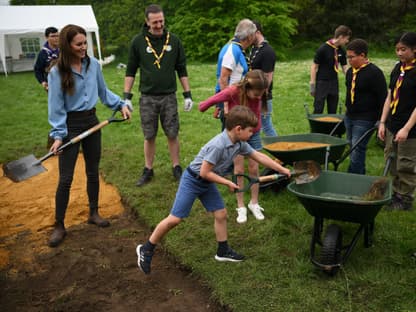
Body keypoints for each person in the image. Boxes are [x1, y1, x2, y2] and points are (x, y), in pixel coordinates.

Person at [136, 105, 291, 274]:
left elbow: (258, 156)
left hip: (207, 182)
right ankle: (146, 248)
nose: (252, 133)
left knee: (221, 214)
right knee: (175, 219)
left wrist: (282, 169)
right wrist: (227, 183)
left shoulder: (239, 143)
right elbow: (204, 172)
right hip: (193, 180)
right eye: (250, 131)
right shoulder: (219, 145)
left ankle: (222, 251)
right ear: (238, 129)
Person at [47, 24, 132, 247]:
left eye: (85, 43)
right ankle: (59, 225)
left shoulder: (93, 65)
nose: (84, 47)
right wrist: (58, 135)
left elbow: (103, 93)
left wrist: (121, 104)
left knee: (93, 171)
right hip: (70, 126)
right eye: (79, 44)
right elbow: (56, 107)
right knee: (66, 178)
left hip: (92, 122)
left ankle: (93, 213)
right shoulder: (57, 72)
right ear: (68, 46)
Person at [123, 4, 193, 186]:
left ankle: (176, 167)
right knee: (149, 135)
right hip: (147, 97)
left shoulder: (174, 41)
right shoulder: (138, 42)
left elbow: (182, 69)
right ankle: (148, 169)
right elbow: (130, 70)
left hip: (169, 96)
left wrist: (187, 94)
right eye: (155, 22)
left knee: (172, 132)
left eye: (161, 21)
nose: (159, 25)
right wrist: (126, 97)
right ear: (147, 22)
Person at [199, 70, 270, 223]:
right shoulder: (233, 91)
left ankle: (254, 203)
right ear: (247, 88)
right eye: (257, 95)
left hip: (254, 133)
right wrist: (204, 106)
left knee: (254, 168)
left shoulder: (259, 92)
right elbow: (214, 99)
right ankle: (241, 206)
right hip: (237, 136)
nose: (259, 98)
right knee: (238, 170)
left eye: (261, 94)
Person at [378, 32, 416, 211]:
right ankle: (395, 193)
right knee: (391, 160)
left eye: (404, 49)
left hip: (410, 129)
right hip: (392, 124)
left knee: (405, 164)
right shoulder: (397, 68)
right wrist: (383, 122)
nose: (399, 53)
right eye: (397, 49)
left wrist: (406, 128)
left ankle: (405, 199)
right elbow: (390, 96)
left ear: (414, 49)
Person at [344, 39, 387, 174]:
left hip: (366, 117)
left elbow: (383, 97)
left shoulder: (374, 73)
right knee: (351, 145)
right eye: (348, 57)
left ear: (362, 55)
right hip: (350, 116)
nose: (349, 60)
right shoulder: (351, 72)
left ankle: (354, 175)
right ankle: (358, 172)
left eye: (352, 57)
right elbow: (349, 91)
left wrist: (381, 120)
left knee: (358, 147)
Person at [214, 19, 257, 130]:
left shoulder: (237, 48)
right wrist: (226, 105)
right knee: (231, 136)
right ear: (249, 36)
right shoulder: (232, 50)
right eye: (254, 34)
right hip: (231, 99)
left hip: (235, 98)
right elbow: (223, 78)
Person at [310, 25, 352, 114]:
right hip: (322, 82)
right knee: (318, 107)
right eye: (346, 39)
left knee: (333, 108)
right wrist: (312, 85)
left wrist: (351, 78)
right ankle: (317, 127)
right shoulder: (323, 49)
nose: (347, 41)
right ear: (341, 37)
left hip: (334, 82)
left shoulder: (341, 51)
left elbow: (344, 67)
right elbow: (314, 66)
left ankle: (330, 127)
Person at [250, 20, 278, 137]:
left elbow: (268, 77)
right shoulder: (255, 48)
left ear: (257, 32)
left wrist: (261, 96)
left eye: (250, 33)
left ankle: (279, 148)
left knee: (266, 125)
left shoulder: (267, 51)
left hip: (262, 95)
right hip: (254, 93)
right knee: (254, 123)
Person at [34, 26, 59, 91]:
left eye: (57, 36)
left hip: (66, 83)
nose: (56, 38)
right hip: (51, 84)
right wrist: (43, 82)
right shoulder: (43, 53)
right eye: (53, 36)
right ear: (46, 37)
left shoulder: (63, 50)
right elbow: (37, 70)